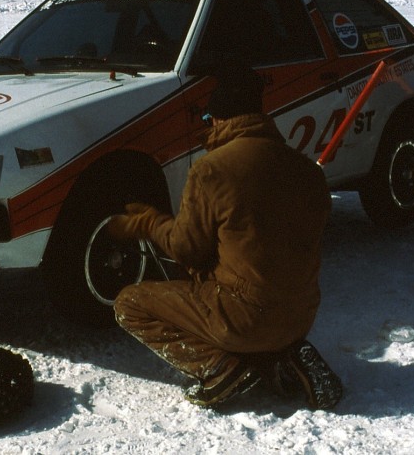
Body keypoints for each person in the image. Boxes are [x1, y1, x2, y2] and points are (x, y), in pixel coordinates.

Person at [107, 64, 342, 409]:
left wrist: (147, 221)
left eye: (207, 119)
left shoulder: (213, 169)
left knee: (130, 304)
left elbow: (185, 249)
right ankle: (284, 356)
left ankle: (220, 368)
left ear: (217, 119)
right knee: (251, 295)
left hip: (245, 320)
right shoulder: (308, 171)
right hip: (301, 315)